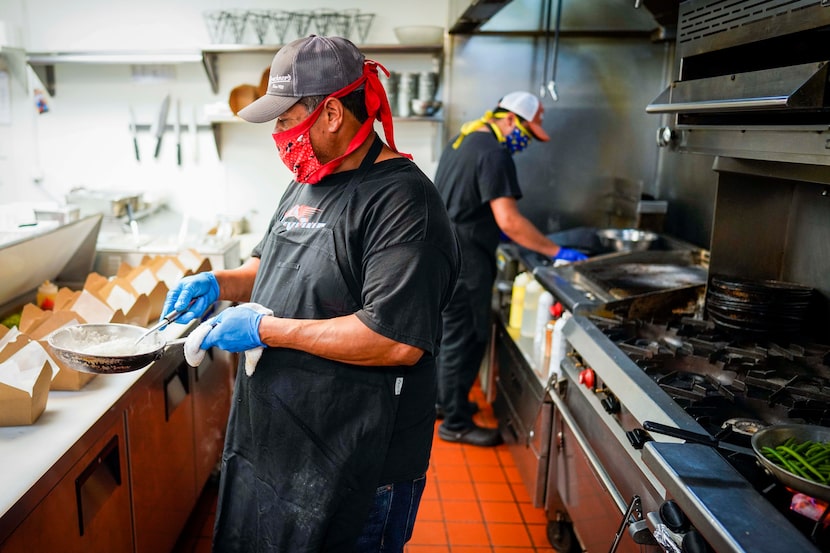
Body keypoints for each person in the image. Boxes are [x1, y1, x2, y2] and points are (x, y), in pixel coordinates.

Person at [161, 35, 460, 552]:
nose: (278, 135)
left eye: (284, 119)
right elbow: (267, 265)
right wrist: (217, 283)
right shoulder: (308, 179)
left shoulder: (404, 202)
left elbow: (394, 339)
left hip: (357, 457)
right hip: (280, 439)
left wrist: (263, 330)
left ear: (331, 114)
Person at [433, 91, 587, 447]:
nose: (526, 141)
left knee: (450, 336)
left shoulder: (467, 138)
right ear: (509, 119)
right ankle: (454, 423)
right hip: (468, 261)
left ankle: (445, 404)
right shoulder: (494, 153)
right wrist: (556, 250)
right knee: (466, 339)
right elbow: (509, 221)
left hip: (447, 254)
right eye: (527, 132)